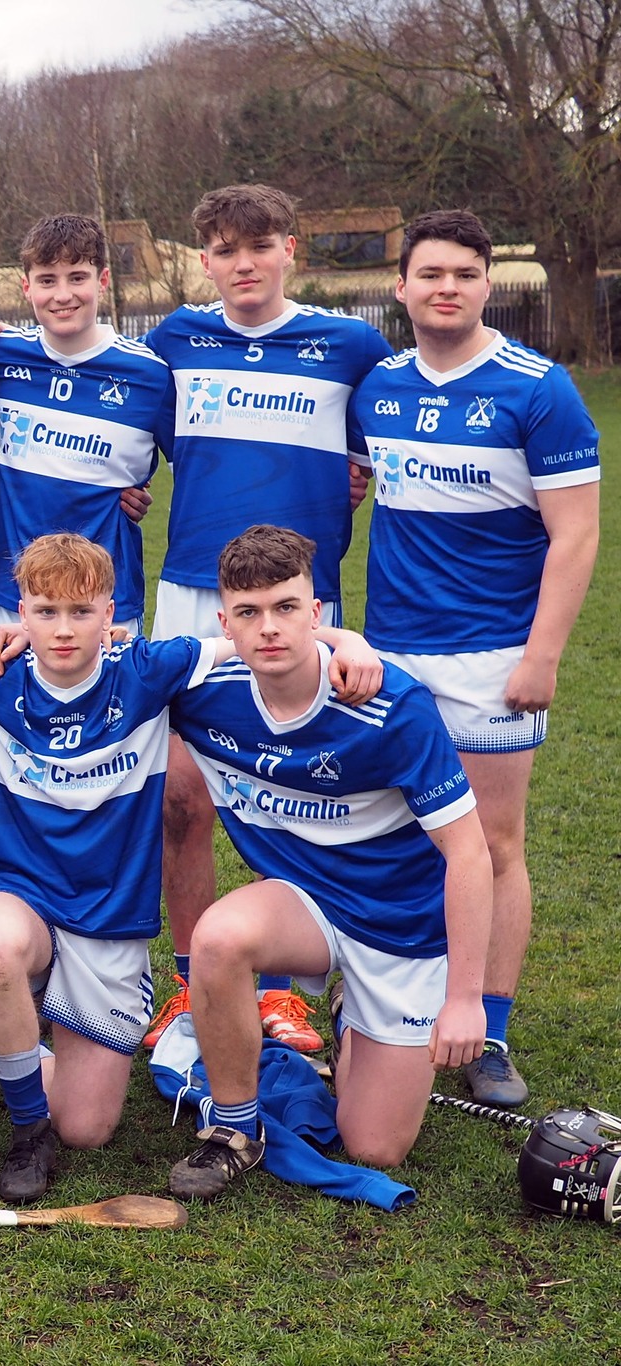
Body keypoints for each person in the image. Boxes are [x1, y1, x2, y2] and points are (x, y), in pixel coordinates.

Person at [0, 533, 381, 1203]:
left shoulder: (149, 669)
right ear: (20, 613)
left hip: (106, 918)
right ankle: (26, 1126)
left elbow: (260, 639)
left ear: (110, 615)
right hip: (18, 894)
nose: (62, 630)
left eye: (80, 612)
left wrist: (349, 642)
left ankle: (44, 1033)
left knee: (87, 1128)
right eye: (44, 612)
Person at [350, 209, 601, 1107]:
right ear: (402, 287)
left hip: (493, 657)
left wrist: (543, 657)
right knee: (388, 832)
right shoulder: (377, 387)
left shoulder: (539, 389)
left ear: (488, 284)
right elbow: (353, 480)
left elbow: (576, 536)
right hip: (390, 654)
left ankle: (489, 1032)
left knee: (492, 844)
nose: (447, 287)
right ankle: (378, 1000)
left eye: (464, 273)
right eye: (430, 273)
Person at [139, 186, 395, 1056]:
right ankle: (189, 982)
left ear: (292, 249)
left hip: (301, 602)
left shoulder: (353, 346)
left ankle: (282, 990)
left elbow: (388, 444)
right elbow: (122, 422)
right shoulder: (173, 341)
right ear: (203, 260)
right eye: (224, 249)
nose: (242, 263)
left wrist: (358, 472)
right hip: (192, 596)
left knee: (291, 792)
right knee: (182, 801)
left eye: (259, 246)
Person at [167, 524, 490, 1197]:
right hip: (304, 901)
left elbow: (468, 851)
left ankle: (353, 1018)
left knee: (375, 1146)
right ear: (224, 624)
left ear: (315, 613)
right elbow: (86, 658)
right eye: (249, 613)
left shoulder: (391, 707)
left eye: (286, 608)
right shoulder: (201, 689)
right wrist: (7, 637)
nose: (269, 628)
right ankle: (234, 1130)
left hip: (402, 926)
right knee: (219, 938)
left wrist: (465, 999)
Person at [0, 214, 172, 640]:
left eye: (77, 277)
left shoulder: (151, 376)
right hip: (15, 599)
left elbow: (200, 467)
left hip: (107, 602)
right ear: (26, 286)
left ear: (103, 280)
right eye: (47, 280)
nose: (63, 295)